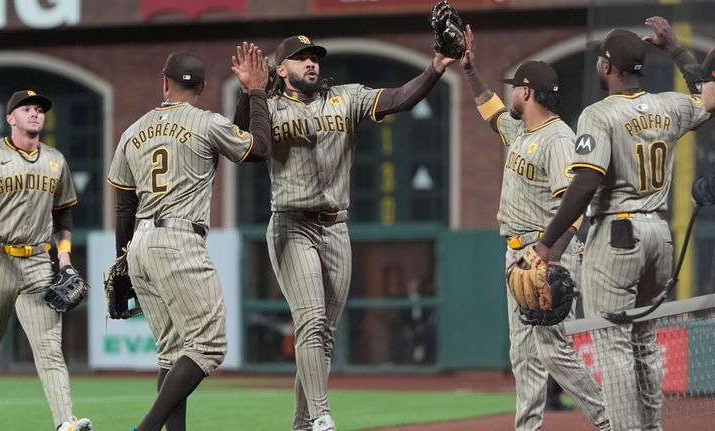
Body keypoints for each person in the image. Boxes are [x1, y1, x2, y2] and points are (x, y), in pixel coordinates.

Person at [231, 31, 457, 431]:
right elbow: (244, 146)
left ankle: (302, 424)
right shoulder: (268, 104)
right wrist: (249, 93)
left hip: (336, 226)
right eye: (301, 58)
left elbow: (399, 99)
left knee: (324, 335)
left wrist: (436, 67)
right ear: (281, 70)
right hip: (291, 224)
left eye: (314, 56)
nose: (312, 63)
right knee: (311, 320)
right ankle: (321, 417)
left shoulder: (345, 97)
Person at [535, 18, 715, 431]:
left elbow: (585, 183)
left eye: (602, 58)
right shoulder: (671, 105)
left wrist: (548, 245)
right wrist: (675, 48)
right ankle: (650, 428)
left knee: (612, 343)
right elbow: (708, 94)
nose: (599, 63)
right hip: (659, 234)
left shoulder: (598, 114)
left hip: (617, 235)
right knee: (645, 343)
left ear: (608, 67)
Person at [107, 48, 271, 431]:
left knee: (171, 354)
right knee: (208, 346)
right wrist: (258, 92)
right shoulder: (206, 122)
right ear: (202, 87)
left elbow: (123, 207)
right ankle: (145, 429)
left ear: (164, 82)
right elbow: (257, 148)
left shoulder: (133, 131)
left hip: (141, 242)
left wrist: (122, 259)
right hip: (178, 238)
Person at [459, 25, 609, 431]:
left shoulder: (558, 137)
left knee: (553, 351)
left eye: (513, 88)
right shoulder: (521, 130)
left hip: (544, 252)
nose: (508, 94)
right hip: (517, 253)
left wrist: (551, 255)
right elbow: (490, 110)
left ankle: (612, 420)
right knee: (523, 356)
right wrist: (469, 69)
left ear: (525, 91)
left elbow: (576, 203)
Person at [0, 90, 91, 431]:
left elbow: (64, 216)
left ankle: (65, 423)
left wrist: (64, 257)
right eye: (26, 109)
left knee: (49, 350)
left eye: (40, 109)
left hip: (37, 265)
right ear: (10, 118)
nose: (35, 113)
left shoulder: (56, 160)